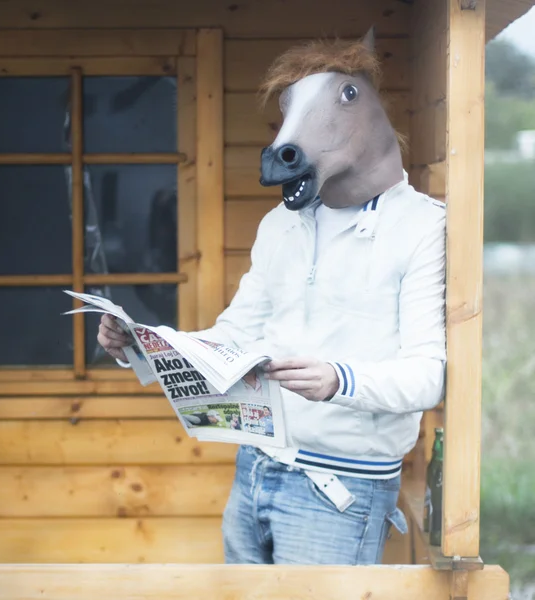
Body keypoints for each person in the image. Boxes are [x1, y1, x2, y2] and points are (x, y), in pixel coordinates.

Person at [97, 34, 446, 565]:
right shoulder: (280, 223)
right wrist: (142, 346)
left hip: (340, 487)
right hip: (255, 468)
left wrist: (339, 380)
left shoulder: (423, 226)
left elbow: (429, 375)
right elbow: (235, 336)